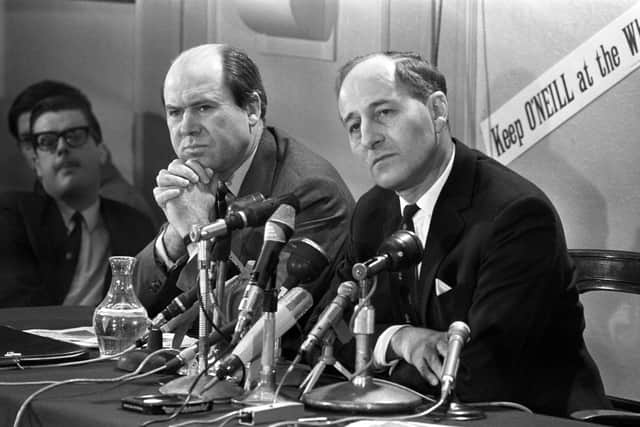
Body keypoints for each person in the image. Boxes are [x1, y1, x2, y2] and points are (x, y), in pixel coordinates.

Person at [327, 51, 609, 416]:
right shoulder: (371, 211)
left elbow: (480, 376)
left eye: (384, 113)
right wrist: (401, 340)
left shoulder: (516, 216)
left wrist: (378, 364)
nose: (368, 138)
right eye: (353, 125)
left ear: (437, 110)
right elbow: (332, 333)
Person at [134, 44, 354, 338]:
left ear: (252, 109)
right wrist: (175, 237)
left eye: (204, 107)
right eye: (175, 112)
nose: (186, 127)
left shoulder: (309, 191)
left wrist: (195, 233)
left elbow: (257, 324)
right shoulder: (202, 179)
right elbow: (129, 309)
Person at [0, 94, 155, 307]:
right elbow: (16, 306)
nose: (62, 148)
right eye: (47, 142)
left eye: (74, 135)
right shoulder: (12, 217)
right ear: (36, 164)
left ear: (101, 152)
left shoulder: (136, 224)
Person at [7, 80, 155, 222]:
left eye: (71, 136)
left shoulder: (120, 204)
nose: (40, 151)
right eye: (32, 141)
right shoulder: (33, 201)